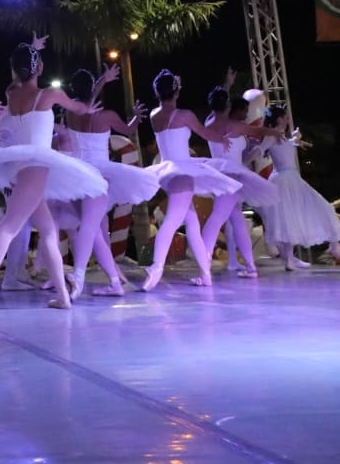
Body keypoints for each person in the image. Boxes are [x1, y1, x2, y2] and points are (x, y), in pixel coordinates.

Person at [0, 38, 107, 316]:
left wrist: (31, 51)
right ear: (40, 68)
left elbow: (21, 73)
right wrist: (93, 96)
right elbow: (80, 107)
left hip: (19, 166)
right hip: (37, 166)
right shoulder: (48, 96)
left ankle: (63, 296)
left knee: (49, 231)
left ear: (15, 70)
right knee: (8, 226)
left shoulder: (11, 93)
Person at [61, 67, 159, 299]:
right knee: (91, 229)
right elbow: (129, 129)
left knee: (91, 228)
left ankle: (88, 277)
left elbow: (85, 104)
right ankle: (97, 278)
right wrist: (135, 115)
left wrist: (101, 81)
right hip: (100, 174)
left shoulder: (69, 114)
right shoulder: (107, 116)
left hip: (77, 173)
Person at [138, 70, 239, 291]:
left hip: (166, 172)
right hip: (183, 171)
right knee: (173, 221)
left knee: (192, 223)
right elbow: (205, 133)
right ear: (176, 91)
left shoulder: (155, 114)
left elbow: (168, 101)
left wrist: (174, 88)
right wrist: (222, 139)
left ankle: (206, 275)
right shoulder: (184, 115)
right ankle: (156, 268)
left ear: (157, 92)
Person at [201, 76, 276, 278]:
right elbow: (258, 130)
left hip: (219, 175)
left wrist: (225, 85)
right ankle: (205, 266)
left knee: (235, 220)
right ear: (227, 106)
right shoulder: (234, 127)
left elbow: (215, 106)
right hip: (232, 176)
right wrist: (276, 131)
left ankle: (248, 266)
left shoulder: (209, 122)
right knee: (220, 219)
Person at [259, 105, 340, 269]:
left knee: (323, 207)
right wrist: (243, 164)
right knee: (288, 218)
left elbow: (285, 147)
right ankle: (289, 258)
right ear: (279, 119)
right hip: (282, 180)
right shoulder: (271, 136)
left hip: (293, 179)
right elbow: (260, 149)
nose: (288, 119)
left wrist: (295, 140)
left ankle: (334, 245)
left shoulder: (281, 136)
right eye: (285, 117)